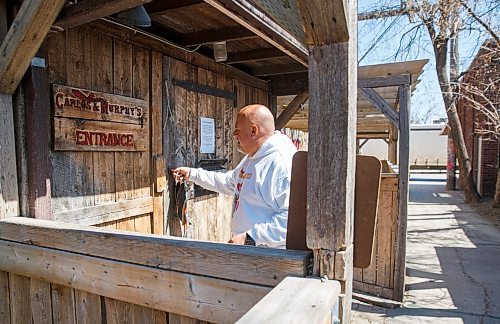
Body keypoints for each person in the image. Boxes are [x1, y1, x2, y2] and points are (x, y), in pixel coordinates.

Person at [172, 104, 297, 248]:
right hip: (251, 252)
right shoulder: (253, 157)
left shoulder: (282, 163)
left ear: (253, 130)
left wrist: (250, 237)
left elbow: (291, 220)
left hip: (270, 257)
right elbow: (230, 182)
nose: (234, 135)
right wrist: (192, 174)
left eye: (237, 130)